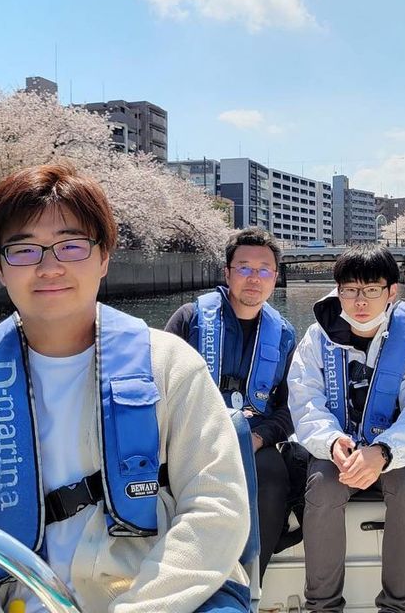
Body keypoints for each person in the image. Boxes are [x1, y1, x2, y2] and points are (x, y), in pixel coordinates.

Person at [0, 163, 251, 613]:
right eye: (23, 249)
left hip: (167, 595)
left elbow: (215, 507)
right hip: (21, 599)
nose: (49, 267)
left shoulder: (170, 366)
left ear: (104, 257)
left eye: (71, 245)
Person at [287, 244, 405, 613]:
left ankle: (398, 606)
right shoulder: (315, 339)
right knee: (323, 488)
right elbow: (305, 401)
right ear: (337, 290)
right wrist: (331, 442)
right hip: (335, 450)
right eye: (350, 290)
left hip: (396, 450)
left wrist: (384, 452)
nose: (360, 300)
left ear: (392, 292)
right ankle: (323, 606)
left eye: (371, 289)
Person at [164, 227, 296, 580]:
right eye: (244, 268)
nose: (255, 278)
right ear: (227, 273)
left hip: (252, 442)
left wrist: (258, 438)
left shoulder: (283, 336)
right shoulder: (189, 319)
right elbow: (158, 387)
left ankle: (251, 582)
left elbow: (289, 410)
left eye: (264, 270)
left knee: (272, 472)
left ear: (275, 277)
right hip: (192, 441)